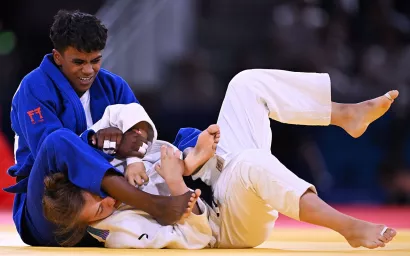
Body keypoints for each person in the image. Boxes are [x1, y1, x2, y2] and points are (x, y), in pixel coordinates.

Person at [43, 68, 398, 249]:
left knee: (245, 85)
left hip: (216, 175)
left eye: (98, 194)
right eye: (100, 210)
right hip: (227, 225)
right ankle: (348, 227)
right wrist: (177, 182)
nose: (108, 201)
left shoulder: (99, 166)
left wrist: (181, 159)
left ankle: (344, 115)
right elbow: (195, 239)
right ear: (87, 226)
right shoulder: (123, 234)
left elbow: (127, 112)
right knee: (251, 165)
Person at [4, 9, 201, 247]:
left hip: (108, 208)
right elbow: (53, 155)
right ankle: (153, 205)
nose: (88, 70)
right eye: (78, 62)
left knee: (188, 138)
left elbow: (139, 133)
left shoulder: (113, 86)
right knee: (58, 140)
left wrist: (130, 147)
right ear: (58, 57)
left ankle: (206, 194)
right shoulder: (34, 88)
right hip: (53, 210)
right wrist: (100, 142)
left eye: (95, 61)